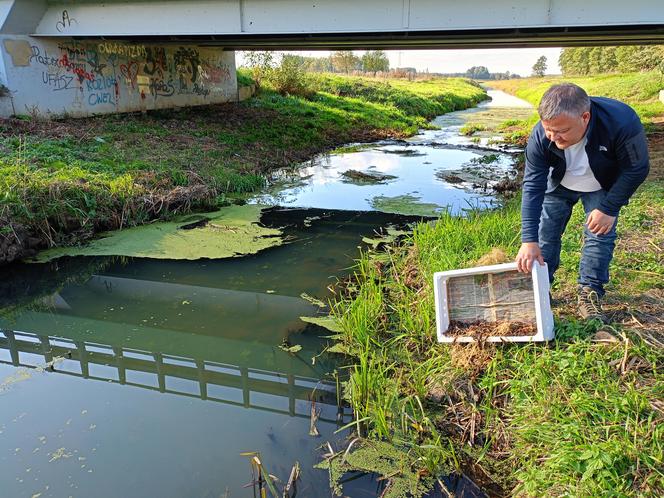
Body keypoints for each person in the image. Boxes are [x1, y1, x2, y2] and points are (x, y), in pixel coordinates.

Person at [515, 83, 649, 322]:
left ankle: (590, 292)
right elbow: (533, 185)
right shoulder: (541, 135)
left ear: (584, 117)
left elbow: (637, 168)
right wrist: (528, 240)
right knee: (545, 234)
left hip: (601, 184)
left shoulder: (621, 121)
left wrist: (609, 208)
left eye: (562, 131)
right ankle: (540, 289)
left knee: (599, 236)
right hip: (559, 184)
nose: (554, 138)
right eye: (549, 131)